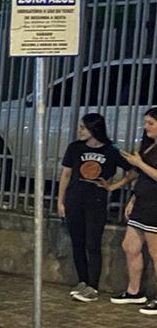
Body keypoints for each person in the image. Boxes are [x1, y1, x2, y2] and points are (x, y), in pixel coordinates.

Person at [56, 113, 131, 302]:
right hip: (75, 199)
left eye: (83, 127)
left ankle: (93, 286)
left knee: (92, 242)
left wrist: (113, 186)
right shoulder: (75, 148)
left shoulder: (110, 149)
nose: (79, 131)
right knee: (77, 242)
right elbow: (66, 175)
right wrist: (60, 201)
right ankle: (82, 280)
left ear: (93, 129)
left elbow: (132, 171)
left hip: (96, 201)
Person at [109, 108, 157, 314]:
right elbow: (141, 176)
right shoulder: (148, 145)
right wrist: (133, 198)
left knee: (155, 252)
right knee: (130, 245)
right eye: (145, 123)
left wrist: (139, 163)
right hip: (142, 202)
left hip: (154, 205)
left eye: (151, 123)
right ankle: (134, 291)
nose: (146, 127)